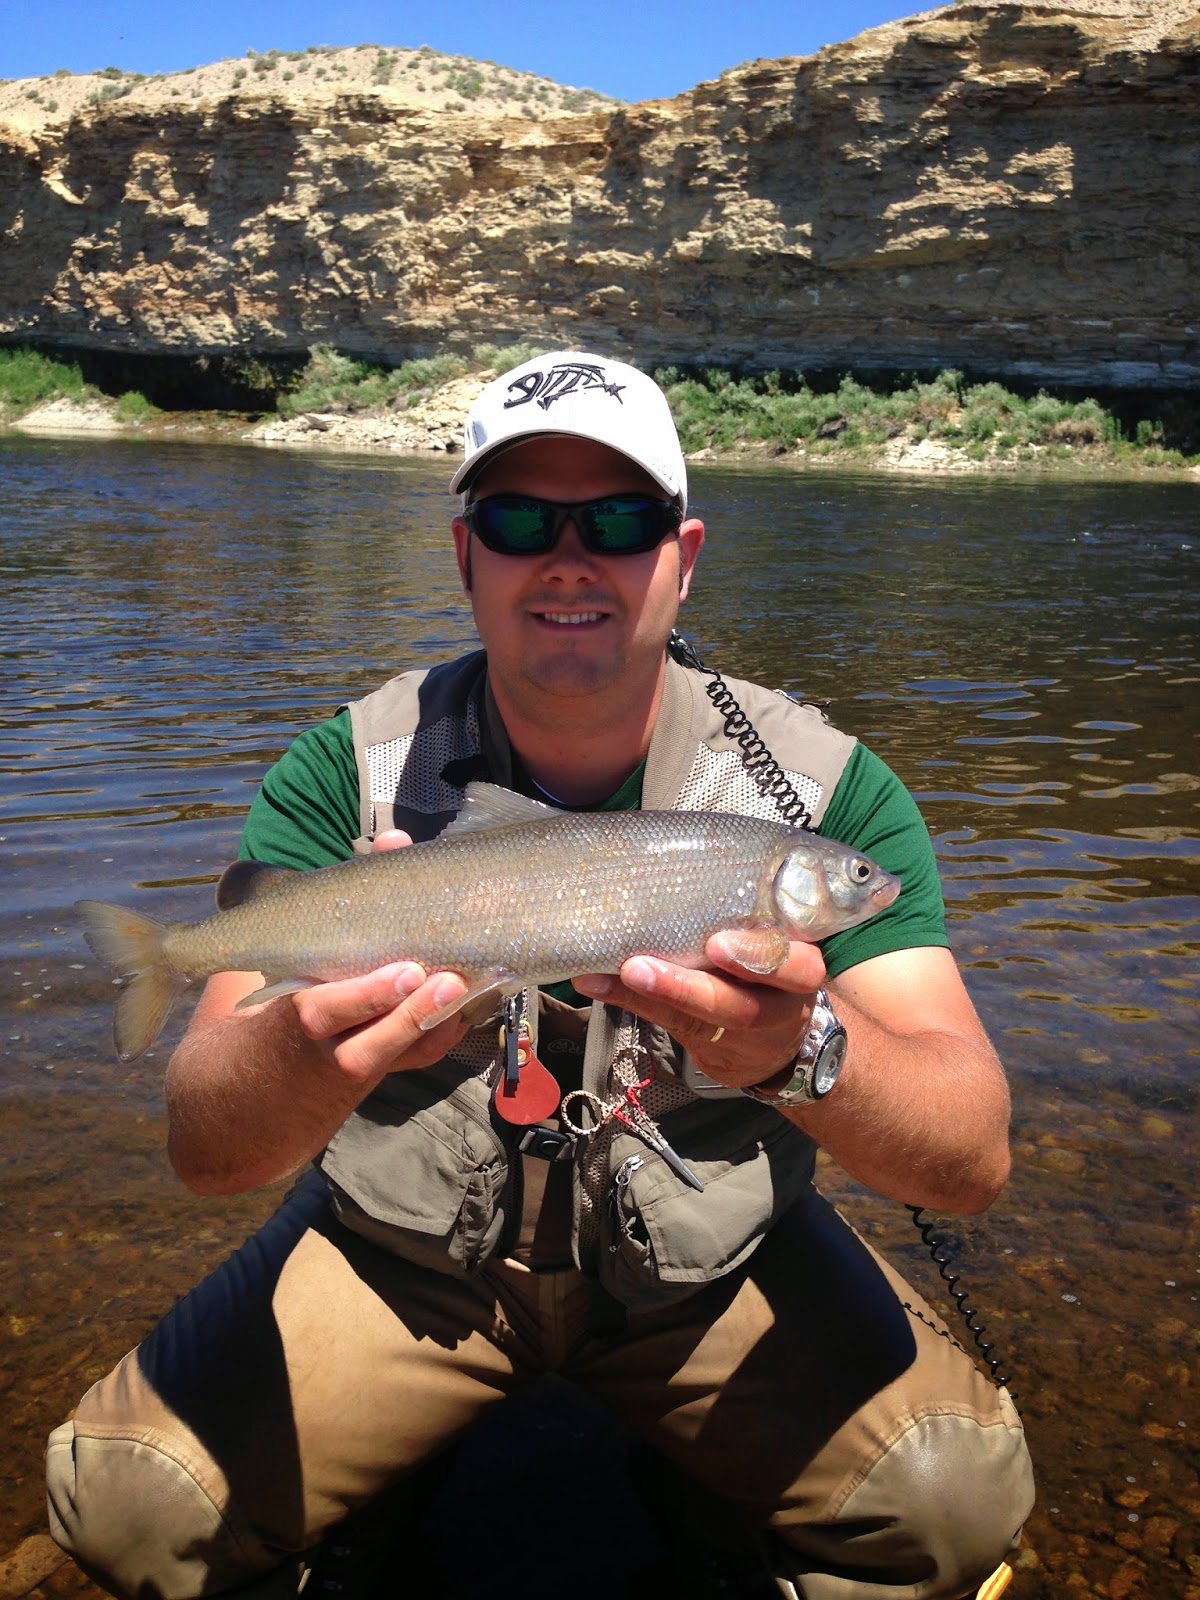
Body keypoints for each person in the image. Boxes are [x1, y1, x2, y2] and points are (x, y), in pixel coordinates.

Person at [47, 351, 1034, 1600]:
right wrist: (311, 1050)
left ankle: (707, 1496)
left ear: (683, 553)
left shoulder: (822, 795)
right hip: (407, 1267)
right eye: (522, 519)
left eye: (617, 520)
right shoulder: (343, 774)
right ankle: (374, 1494)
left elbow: (972, 1159)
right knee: (130, 1506)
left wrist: (800, 1053)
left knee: (953, 1501)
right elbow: (208, 1147)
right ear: (467, 554)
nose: (570, 558)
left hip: (705, 1275)